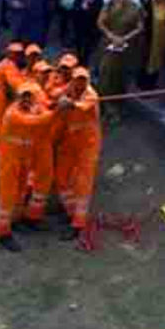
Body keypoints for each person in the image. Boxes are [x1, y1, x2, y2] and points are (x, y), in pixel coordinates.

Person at [0, 83, 56, 252]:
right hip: (9, 162)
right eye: (23, 96)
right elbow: (36, 121)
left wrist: (56, 104)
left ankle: (16, 221)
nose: (26, 100)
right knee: (7, 197)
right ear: (17, 98)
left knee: (20, 192)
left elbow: (43, 112)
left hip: (23, 159)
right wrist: (57, 111)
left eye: (29, 97)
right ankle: (3, 233)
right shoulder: (13, 114)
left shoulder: (32, 109)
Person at [55, 67, 102, 242]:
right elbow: (59, 100)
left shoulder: (91, 95)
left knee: (83, 184)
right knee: (61, 176)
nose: (81, 83)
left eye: (84, 80)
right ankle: (70, 211)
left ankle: (78, 223)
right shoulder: (68, 90)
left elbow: (83, 106)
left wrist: (70, 104)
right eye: (78, 79)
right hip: (70, 141)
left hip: (88, 146)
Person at [97, 0, 144, 123]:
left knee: (120, 78)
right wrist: (111, 36)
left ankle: (117, 109)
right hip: (108, 44)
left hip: (126, 47)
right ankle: (104, 107)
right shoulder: (109, 5)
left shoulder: (136, 8)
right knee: (105, 75)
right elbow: (100, 22)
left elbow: (140, 27)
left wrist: (125, 38)